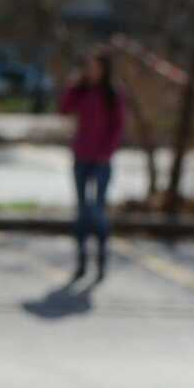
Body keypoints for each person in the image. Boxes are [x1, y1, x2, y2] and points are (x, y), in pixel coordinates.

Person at [57, 48, 127, 280]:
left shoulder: (112, 93)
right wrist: (71, 86)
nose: (92, 71)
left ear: (105, 69)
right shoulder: (81, 90)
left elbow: (118, 126)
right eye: (89, 67)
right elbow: (64, 109)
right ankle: (81, 261)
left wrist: (107, 152)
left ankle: (101, 259)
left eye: (96, 67)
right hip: (81, 156)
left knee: (98, 211)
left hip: (102, 160)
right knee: (81, 211)